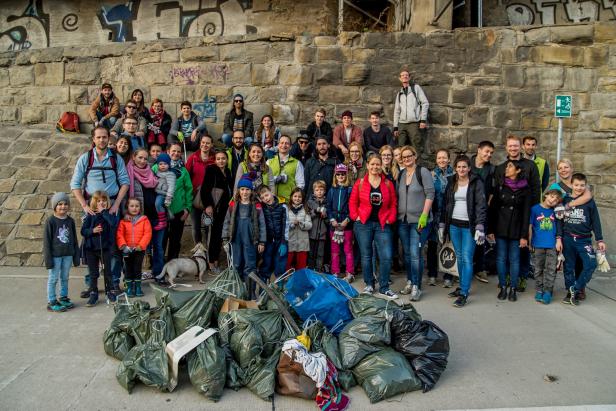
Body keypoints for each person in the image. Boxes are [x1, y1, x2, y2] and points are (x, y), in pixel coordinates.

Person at [70, 126, 129, 297]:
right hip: (92, 207)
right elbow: (75, 185)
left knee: (113, 246)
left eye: (105, 137)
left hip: (111, 206)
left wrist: (117, 204)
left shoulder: (115, 158)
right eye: (99, 137)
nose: (102, 140)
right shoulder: (85, 159)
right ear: (93, 139)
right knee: (91, 245)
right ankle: (91, 284)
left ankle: (114, 283)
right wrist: (84, 206)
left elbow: (125, 182)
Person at [439, 155, 487, 308]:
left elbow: (481, 204)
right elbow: (446, 203)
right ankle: (461, 286)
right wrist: (442, 224)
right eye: (459, 167)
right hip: (454, 225)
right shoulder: (452, 181)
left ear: (469, 168)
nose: (461, 169)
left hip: (469, 226)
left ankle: (464, 293)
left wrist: (480, 226)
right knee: (459, 257)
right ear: (455, 168)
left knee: (466, 257)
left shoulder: (476, 182)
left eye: (464, 167)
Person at [494, 135, 541, 292]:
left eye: (515, 146)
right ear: (506, 148)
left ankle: (521, 277)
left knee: (523, 249)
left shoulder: (530, 165)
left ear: (520, 147)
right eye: (510, 146)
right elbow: (496, 195)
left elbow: (536, 191)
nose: (513, 149)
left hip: (525, 214)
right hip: (504, 219)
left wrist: (531, 218)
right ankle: (506, 277)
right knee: (505, 253)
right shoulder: (501, 168)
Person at [350, 154, 398, 299]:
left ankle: (384, 287)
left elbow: (393, 203)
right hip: (364, 223)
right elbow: (352, 202)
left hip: (382, 224)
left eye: (378, 164)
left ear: (381, 166)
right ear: (367, 165)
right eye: (372, 164)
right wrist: (355, 217)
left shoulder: (387, 184)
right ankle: (369, 285)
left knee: (386, 256)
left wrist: (391, 218)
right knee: (366, 255)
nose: (375, 167)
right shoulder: (360, 182)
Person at [547, 158, 594, 300]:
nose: (563, 170)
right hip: (562, 226)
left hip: (579, 229)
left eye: (566, 167)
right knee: (564, 261)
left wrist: (569, 204)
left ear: (571, 169)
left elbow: (588, 196)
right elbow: (550, 201)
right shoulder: (555, 186)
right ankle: (555, 287)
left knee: (581, 260)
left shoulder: (579, 185)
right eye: (560, 168)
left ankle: (580, 288)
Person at [557, 173, 606, 306]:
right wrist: (559, 238)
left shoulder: (589, 202)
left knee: (590, 264)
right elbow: (559, 222)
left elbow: (596, 221)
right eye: (576, 185)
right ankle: (569, 292)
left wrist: (600, 239)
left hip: (583, 240)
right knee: (568, 267)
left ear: (586, 186)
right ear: (571, 185)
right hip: (567, 239)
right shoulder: (565, 200)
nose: (579, 187)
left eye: (582, 185)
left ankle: (576, 288)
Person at [488, 160, 532, 302]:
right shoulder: (500, 186)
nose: (507, 168)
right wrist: (490, 229)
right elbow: (493, 209)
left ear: (518, 170)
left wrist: (524, 235)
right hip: (501, 227)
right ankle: (502, 286)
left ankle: (513, 288)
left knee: (514, 259)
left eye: (510, 166)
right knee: (501, 258)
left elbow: (526, 214)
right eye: (507, 166)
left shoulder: (525, 189)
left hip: (517, 229)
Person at [397, 145, 435, 301]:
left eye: (409, 156)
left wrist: (424, 216)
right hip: (403, 221)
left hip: (419, 221)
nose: (406, 159)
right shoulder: (401, 174)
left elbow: (430, 193)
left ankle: (417, 286)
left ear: (415, 156)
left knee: (415, 254)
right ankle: (410, 280)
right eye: (404, 157)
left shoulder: (422, 172)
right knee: (407, 254)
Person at [222, 175, 266, 296]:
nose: (245, 192)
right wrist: (225, 239)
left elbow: (262, 224)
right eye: (242, 189)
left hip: (251, 240)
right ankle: (237, 292)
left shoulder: (256, 206)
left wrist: (262, 241)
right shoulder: (233, 205)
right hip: (236, 240)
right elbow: (227, 222)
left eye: (247, 189)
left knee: (250, 265)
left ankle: (250, 293)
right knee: (236, 265)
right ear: (238, 191)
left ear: (251, 191)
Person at [126, 148, 162, 279]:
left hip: (154, 215)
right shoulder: (128, 171)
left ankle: (158, 274)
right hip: (138, 216)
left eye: (145, 158)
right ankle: (133, 277)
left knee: (157, 246)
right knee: (136, 247)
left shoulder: (152, 171)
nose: (142, 161)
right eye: (140, 157)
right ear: (134, 157)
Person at [43, 192, 79, 312]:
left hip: (68, 254)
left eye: (65, 204)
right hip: (55, 256)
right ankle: (52, 301)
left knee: (65, 277)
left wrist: (76, 256)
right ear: (54, 206)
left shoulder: (70, 221)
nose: (63, 206)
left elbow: (74, 239)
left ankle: (63, 297)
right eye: (59, 204)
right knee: (53, 278)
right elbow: (47, 242)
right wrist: (48, 259)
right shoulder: (50, 221)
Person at [156, 143, 192, 261]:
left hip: (178, 210)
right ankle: (159, 265)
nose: (176, 153)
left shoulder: (183, 171)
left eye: (178, 151)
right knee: (161, 239)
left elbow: (188, 190)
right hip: (162, 210)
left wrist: (187, 209)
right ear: (168, 151)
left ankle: (173, 264)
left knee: (175, 240)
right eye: (173, 151)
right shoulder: (157, 167)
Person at [81, 190, 116, 306]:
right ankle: (93, 293)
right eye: (98, 201)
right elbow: (83, 231)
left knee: (107, 271)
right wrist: (93, 230)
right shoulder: (90, 215)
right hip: (91, 248)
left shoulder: (109, 215)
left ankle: (110, 290)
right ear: (94, 202)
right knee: (93, 273)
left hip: (104, 247)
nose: (101, 203)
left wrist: (104, 213)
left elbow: (113, 224)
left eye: (104, 200)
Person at [200, 150, 233, 274]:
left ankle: (216, 262)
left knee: (219, 236)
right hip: (214, 209)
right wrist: (208, 206)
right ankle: (211, 263)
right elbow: (205, 189)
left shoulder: (228, 172)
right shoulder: (211, 169)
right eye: (218, 159)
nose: (221, 161)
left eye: (223, 158)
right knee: (213, 236)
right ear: (215, 160)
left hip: (224, 210)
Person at [529, 189, 562, 305]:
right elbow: (530, 226)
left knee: (551, 269)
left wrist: (559, 241)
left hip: (552, 245)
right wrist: (530, 242)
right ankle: (539, 289)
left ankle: (548, 291)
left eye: (556, 199)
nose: (553, 200)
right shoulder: (535, 209)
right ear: (546, 195)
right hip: (538, 244)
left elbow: (559, 227)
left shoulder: (555, 212)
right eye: (552, 196)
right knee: (538, 269)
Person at [427, 149, 454, 287]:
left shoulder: (455, 174)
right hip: (434, 214)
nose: (442, 160)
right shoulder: (431, 175)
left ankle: (448, 276)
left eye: (444, 158)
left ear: (449, 159)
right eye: (439, 158)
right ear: (436, 160)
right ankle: (432, 274)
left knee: (448, 245)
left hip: (450, 215)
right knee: (432, 245)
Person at [471, 141, 496, 283]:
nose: (489, 155)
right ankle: (462, 268)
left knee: (481, 240)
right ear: (479, 150)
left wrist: (487, 204)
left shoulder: (491, 169)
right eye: (487, 151)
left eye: (491, 153)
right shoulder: (468, 164)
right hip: (467, 208)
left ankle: (480, 269)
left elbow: (492, 190)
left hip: (482, 210)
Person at [116, 197, 152, 298]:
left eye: (137, 206)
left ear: (140, 208)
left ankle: (138, 287)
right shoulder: (123, 221)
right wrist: (123, 246)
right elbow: (119, 234)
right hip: (127, 249)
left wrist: (141, 245)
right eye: (132, 206)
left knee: (137, 268)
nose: (134, 208)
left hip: (139, 249)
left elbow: (147, 234)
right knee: (128, 269)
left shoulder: (144, 220)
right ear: (127, 207)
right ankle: (129, 288)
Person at [393, 69, 429, 160]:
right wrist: (395, 127)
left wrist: (423, 120)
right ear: (400, 78)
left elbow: (425, 103)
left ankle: (417, 170)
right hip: (402, 123)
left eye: (406, 75)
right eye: (402, 75)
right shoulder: (399, 93)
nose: (404, 76)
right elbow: (397, 110)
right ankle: (401, 170)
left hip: (414, 123)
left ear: (409, 78)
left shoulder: (415, 88)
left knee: (416, 146)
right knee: (401, 147)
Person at [186, 135, 215, 245]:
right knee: (196, 226)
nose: (205, 145)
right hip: (195, 197)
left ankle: (208, 252)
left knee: (208, 226)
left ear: (212, 145)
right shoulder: (193, 158)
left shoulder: (214, 159)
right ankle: (198, 250)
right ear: (200, 143)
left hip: (209, 198)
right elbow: (186, 177)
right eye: (203, 142)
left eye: (208, 143)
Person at [327, 164, 354, 281]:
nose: (341, 176)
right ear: (335, 175)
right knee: (334, 250)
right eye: (338, 174)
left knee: (348, 249)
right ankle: (335, 272)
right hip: (334, 224)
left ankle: (349, 273)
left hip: (346, 224)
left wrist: (347, 220)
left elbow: (353, 207)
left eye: (343, 174)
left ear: (346, 175)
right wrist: (332, 219)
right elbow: (328, 206)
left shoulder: (350, 190)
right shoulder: (332, 190)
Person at [257, 185, 289, 280]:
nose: (265, 199)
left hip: (280, 241)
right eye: (262, 198)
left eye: (266, 195)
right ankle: (263, 285)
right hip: (268, 241)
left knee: (280, 264)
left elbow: (286, 225)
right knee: (266, 263)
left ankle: (280, 285)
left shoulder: (283, 206)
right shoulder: (262, 208)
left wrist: (284, 242)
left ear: (271, 192)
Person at [267, 135, 305, 202]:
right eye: (282, 143)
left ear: (290, 147)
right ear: (278, 145)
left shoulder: (297, 163)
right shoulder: (269, 162)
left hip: (288, 202)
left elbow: (300, 184)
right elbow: (265, 181)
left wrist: (294, 198)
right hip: (271, 202)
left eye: (287, 143)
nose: (284, 145)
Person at [286, 188, 312, 271]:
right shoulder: (287, 209)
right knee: (288, 262)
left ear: (302, 198)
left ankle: (300, 278)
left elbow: (309, 225)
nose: (297, 198)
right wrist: (291, 224)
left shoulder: (305, 209)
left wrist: (301, 223)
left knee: (301, 264)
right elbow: (284, 224)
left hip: (302, 242)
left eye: (299, 197)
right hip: (290, 241)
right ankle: (287, 278)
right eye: (295, 196)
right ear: (291, 197)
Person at [307, 180, 329, 272]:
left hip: (322, 234)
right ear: (313, 191)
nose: (319, 191)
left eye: (321, 189)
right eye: (317, 190)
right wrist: (315, 211)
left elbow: (329, 219)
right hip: (312, 233)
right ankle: (311, 269)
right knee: (311, 253)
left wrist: (325, 216)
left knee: (320, 254)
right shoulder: (310, 202)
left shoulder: (327, 202)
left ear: (324, 191)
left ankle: (318, 269)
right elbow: (308, 216)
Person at [153, 153, 176, 230]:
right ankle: (165, 217)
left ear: (169, 164)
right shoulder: (158, 172)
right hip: (158, 192)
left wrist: (168, 198)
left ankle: (162, 222)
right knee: (158, 205)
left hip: (164, 194)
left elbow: (171, 187)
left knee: (158, 204)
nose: (163, 165)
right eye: (160, 164)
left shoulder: (170, 174)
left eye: (165, 164)